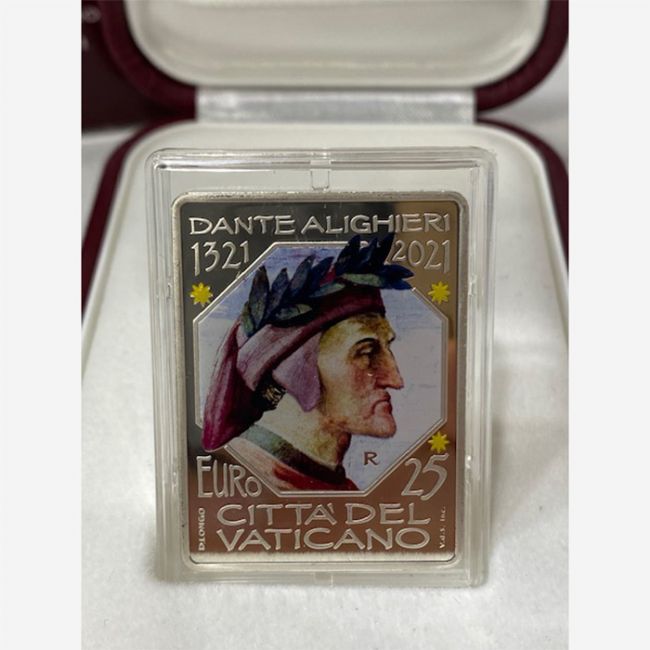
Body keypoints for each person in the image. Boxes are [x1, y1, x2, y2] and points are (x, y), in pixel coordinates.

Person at [202, 234, 411, 491]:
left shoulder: (341, 488)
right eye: (366, 353)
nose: (395, 380)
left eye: (387, 348)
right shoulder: (250, 474)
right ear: (294, 371)